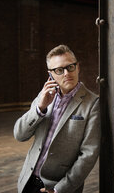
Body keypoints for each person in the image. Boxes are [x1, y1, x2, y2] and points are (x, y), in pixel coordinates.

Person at [14, 44, 101, 193]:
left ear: (78, 67)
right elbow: (20, 135)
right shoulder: (44, 97)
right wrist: (39, 108)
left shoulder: (93, 103)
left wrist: (59, 189)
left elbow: (88, 154)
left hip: (57, 186)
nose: (67, 73)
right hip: (27, 181)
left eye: (70, 67)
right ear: (51, 74)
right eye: (59, 70)